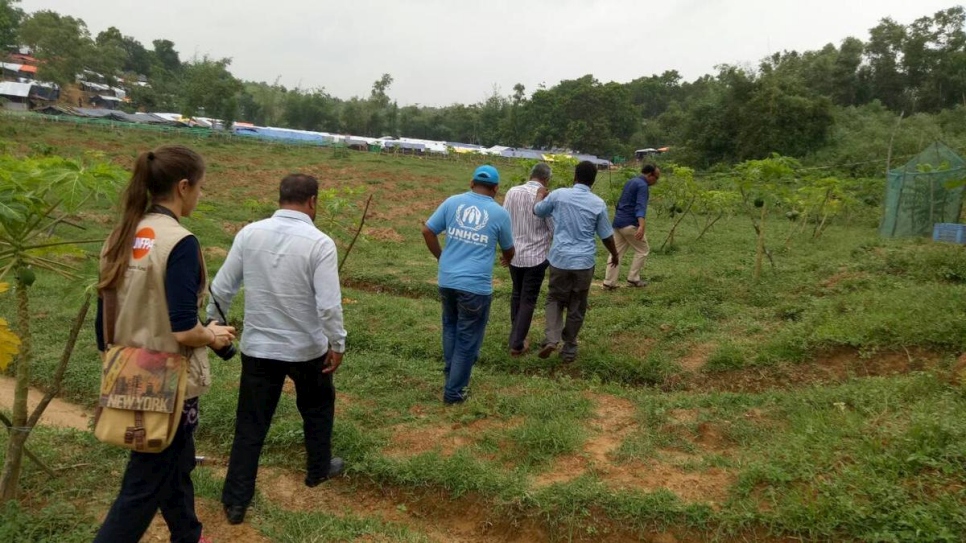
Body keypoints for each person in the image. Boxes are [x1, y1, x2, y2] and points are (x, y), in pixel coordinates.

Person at [94, 145, 236, 543]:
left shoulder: (122, 234)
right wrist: (213, 334)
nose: (200, 195)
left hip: (127, 370)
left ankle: (187, 535)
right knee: (140, 490)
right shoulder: (180, 243)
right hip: (167, 384)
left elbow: (101, 318)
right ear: (183, 186)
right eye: (200, 187)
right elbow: (183, 329)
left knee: (175, 464)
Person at [209, 173, 347, 525]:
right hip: (307, 349)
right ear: (313, 202)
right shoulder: (320, 243)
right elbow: (328, 306)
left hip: (260, 348)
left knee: (251, 425)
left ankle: (236, 501)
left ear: (281, 197)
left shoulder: (249, 234)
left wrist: (212, 322)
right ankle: (318, 469)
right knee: (317, 409)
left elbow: (222, 286)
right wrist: (337, 342)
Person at [422, 165, 514, 404]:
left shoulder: (452, 202)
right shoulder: (499, 213)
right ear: (495, 189)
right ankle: (454, 392)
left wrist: (442, 258)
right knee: (467, 339)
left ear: (472, 183)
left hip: (448, 280)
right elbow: (509, 249)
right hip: (475, 287)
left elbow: (427, 231)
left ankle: (452, 374)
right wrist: (508, 258)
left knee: (451, 327)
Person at [533, 161, 619, 363]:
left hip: (560, 259)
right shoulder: (598, 203)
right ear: (593, 181)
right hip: (584, 262)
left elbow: (538, 211)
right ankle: (569, 348)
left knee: (554, 298)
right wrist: (614, 254)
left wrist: (539, 196)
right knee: (577, 304)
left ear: (575, 176)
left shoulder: (559, 195)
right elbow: (606, 235)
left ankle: (552, 339)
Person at [502, 162, 554, 356]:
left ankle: (516, 335)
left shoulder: (512, 192)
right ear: (546, 179)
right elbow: (552, 227)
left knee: (516, 294)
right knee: (528, 299)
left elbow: (504, 222)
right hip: (537, 256)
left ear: (531, 175)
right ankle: (517, 343)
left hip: (514, 254)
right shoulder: (545, 197)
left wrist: (505, 251)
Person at [603, 164, 660, 290]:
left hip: (618, 222)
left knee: (616, 253)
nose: (656, 181)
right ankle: (633, 278)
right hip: (629, 224)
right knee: (643, 250)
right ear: (650, 175)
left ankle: (609, 283)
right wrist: (641, 225)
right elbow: (640, 206)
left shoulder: (631, 181)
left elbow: (621, 202)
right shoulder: (642, 186)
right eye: (656, 178)